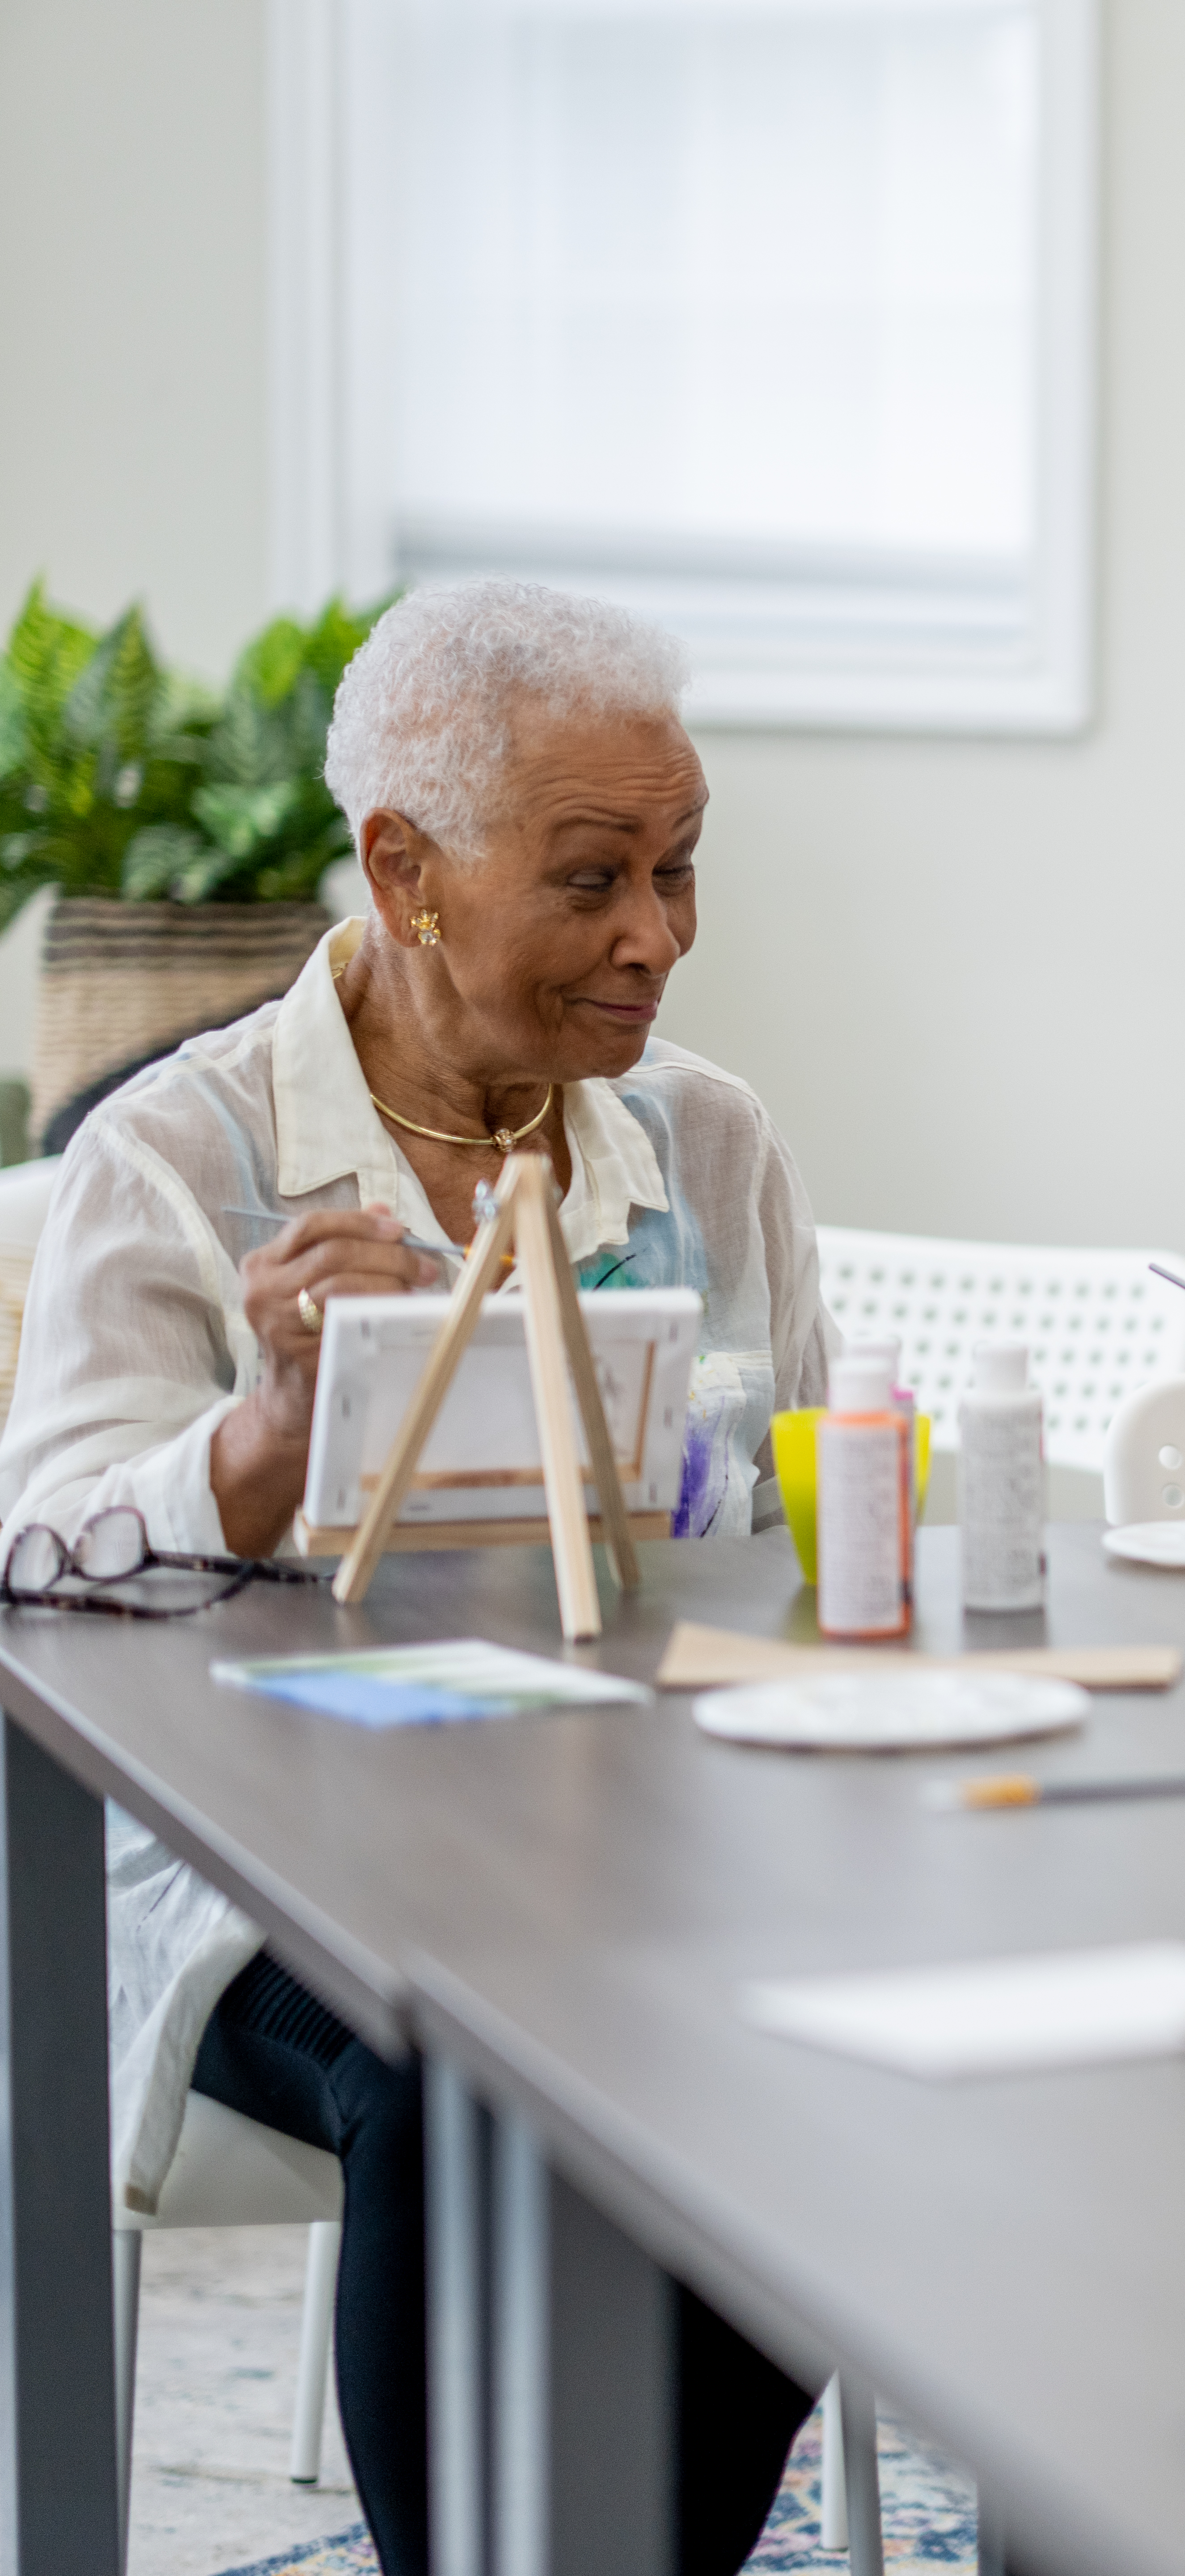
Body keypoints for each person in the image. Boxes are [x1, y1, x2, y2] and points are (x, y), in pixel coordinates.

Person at [0, 580, 829, 2572]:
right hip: (270, 1875)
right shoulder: (183, 1158)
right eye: (595, 878)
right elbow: (32, 1562)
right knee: (478, 2065)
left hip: (637, 1845)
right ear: (409, 869)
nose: (659, 935)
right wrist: (258, 1453)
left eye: (682, 869)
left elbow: (787, 1538)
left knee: (811, 2048)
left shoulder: (703, 1145)